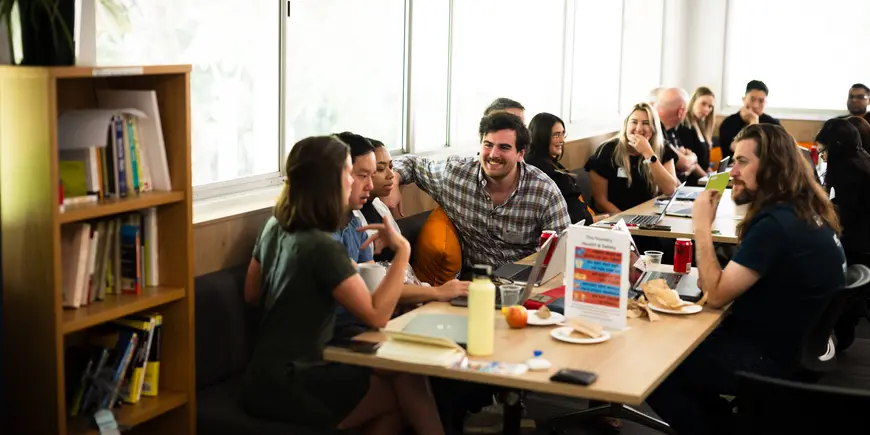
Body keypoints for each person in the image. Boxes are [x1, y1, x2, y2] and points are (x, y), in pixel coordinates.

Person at [647, 124, 846, 435]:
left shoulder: (775, 225)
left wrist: (701, 226)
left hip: (771, 360)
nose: (732, 172)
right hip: (801, 349)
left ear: (772, 167)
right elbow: (719, 283)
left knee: (657, 367)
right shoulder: (803, 211)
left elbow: (714, 295)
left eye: (741, 162)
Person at [240, 135, 444, 435]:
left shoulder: (276, 225)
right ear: (329, 181)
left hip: (261, 373)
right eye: (350, 173)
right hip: (294, 379)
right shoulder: (322, 245)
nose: (356, 181)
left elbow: (252, 294)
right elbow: (377, 316)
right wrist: (402, 251)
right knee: (399, 395)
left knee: (402, 381)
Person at [390, 111, 570, 273]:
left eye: (504, 147)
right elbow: (411, 163)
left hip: (523, 282)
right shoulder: (456, 175)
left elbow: (564, 249)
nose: (493, 154)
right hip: (473, 283)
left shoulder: (544, 190)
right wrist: (394, 180)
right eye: (488, 144)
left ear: (520, 154)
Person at [334, 134, 469, 339]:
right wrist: (434, 292)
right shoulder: (323, 238)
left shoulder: (352, 220)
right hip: (342, 340)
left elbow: (374, 287)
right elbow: (375, 307)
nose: (370, 185)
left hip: (372, 322)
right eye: (363, 175)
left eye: (374, 174)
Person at [815, 118, 870, 349]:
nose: (822, 156)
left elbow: (842, 217)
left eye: (824, 151)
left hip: (858, 246)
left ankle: (829, 326)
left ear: (836, 146)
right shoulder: (862, 159)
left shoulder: (847, 171)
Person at [585, 102, 680, 214]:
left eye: (646, 123)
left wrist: (648, 153)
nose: (639, 129)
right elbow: (600, 202)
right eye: (634, 122)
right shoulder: (607, 150)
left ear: (654, 127)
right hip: (616, 219)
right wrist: (627, 221)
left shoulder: (662, 148)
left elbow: (670, 190)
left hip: (649, 215)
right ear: (626, 125)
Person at [525, 112, 606, 225]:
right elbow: (575, 218)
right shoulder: (542, 170)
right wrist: (604, 220)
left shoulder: (551, 164)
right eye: (556, 135)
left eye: (563, 134)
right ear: (542, 136)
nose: (562, 140)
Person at [718, 80, 780, 160]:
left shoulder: (774, 125)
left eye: (761, 101)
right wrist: (753, 122)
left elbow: (774, 153)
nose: (756, 105)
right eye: (752, 99)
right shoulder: (728, 123)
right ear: (744, 99)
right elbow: (742, 150)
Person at [656, 87, 702, 184]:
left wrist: (690, 160)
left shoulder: (671, 129)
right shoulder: (656, 132)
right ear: (681, 111)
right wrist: (693, 157)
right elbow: (685, 164)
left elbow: (684, 159)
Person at [684, 86, 716, 175]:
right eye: (703, 104)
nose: (706, 109)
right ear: (693, 101)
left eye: (710, 106)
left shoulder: (700, 126)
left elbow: (704, 162)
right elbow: (691, 162)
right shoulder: (685, 127)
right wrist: (706, 177)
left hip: (702, 178)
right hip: (692, 181)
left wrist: (711, 174)